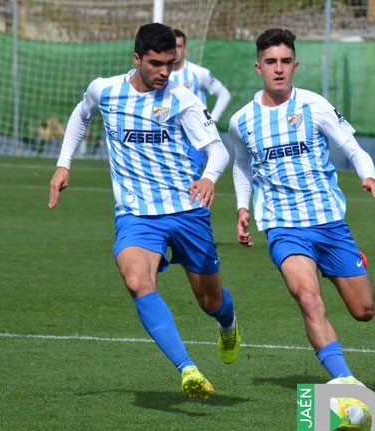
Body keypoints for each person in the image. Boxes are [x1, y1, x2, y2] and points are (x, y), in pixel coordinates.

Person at [48, 23, 241, 400]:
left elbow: (218, 150)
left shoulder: (182, 99)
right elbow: (80, 115)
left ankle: (228, 322)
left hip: (188, 210)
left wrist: (209, 178)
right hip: (136, 215)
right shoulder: (105, 90)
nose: (164, 72)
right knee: (137, 280)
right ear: (136, 59)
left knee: (210, 301)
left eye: (170, 63)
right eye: (155, 64)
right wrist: (63, 163)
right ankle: (188, 369)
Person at [229, 28, 375, 388]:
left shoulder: (314, 106)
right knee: (308, 297)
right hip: (283, 227)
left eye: (285, 61)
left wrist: (369, 175)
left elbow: (352, 147)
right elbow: (241, 165)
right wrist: (242, 207)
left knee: (364, 311)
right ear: (259, 67)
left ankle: (351, 262)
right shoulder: (242, 121)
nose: (278, 69)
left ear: (295, 65)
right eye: (271, 62)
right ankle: (344, 382)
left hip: (329, 223)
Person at [169, 28, 231, 169]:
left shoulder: (199, 73)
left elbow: (224, 94)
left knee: (190, 177)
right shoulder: (161, 77)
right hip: (171, 137)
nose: (175, 51)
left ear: (185, 49)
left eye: (178, 46)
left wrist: (212, 119)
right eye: (172, 47)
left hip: (196, 137)